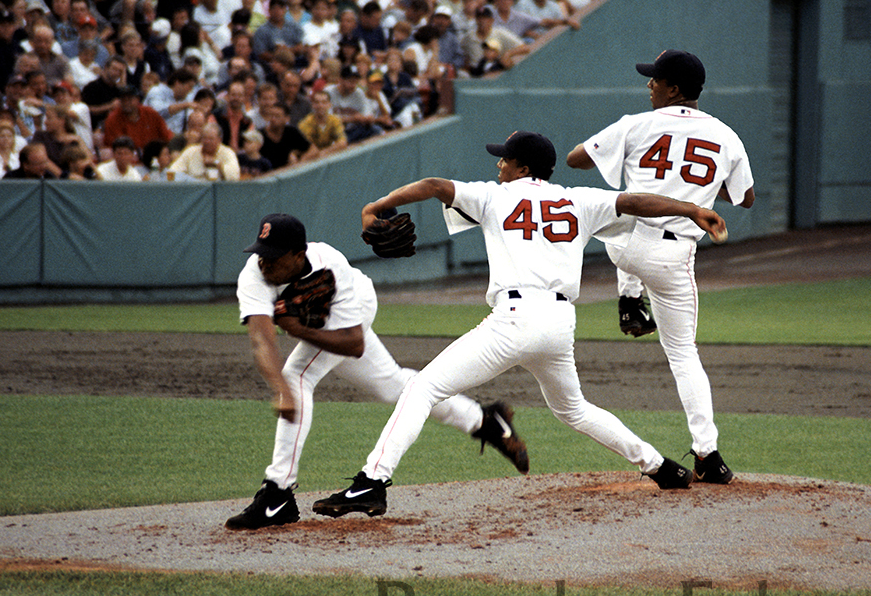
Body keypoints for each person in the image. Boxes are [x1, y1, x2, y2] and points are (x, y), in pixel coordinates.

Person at [310, 130, 729, 519]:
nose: (499, 166)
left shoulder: (495, 196)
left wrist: (376, 207)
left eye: (505, 160)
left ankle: (372, 482)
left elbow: (436, 186)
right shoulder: (578, 200)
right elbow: (635, 201)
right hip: (559, 324)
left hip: (513, 321)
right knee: (574, 409)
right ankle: (660, 467)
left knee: (422, 388)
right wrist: (692, 209)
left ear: (523, 168)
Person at [224, 211, 531, 530]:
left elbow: (353, 343)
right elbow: (262, 340)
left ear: (297, 254)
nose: (264, 262)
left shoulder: (330, 262)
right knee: (393, 386)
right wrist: (279, 391)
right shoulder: (254, 276)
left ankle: (277, 493)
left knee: (298, 375)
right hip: (322, 324)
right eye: (261, 253)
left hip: (355, 310)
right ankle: (484, 421)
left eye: (273, 257)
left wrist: (298, 332)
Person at [566, 50, 755, 485]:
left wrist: (624, 150)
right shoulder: (727, 136)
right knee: (683, 354)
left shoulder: (636, 123)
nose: (648, 85)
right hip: (671, 259)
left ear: (674, 89)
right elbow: (744, 197)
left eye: (655, 80)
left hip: (620, 244)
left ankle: (630, 299)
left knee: (614, 208)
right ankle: (708, 454)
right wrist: (700, 187)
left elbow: (576, 159)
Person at [101, 86, 175, 154]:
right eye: (123, 100)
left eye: (130, 99)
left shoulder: (150, 113)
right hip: (127, 160)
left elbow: (167, 136)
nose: (126, 103)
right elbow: (113, 148)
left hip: (153, 158)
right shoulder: (113, 119)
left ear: (138, 99)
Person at [167, 121, 240, 180]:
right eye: (204, 138)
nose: (207, 142)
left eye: (211, 139)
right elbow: (173, 171)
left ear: (219, 140)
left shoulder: (227, 152)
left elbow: (234, 175)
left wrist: (216, 164)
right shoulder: (191, 151)